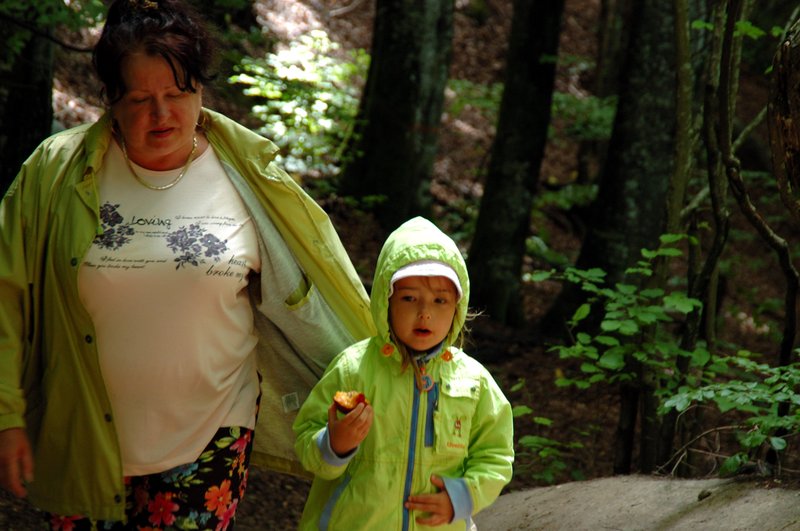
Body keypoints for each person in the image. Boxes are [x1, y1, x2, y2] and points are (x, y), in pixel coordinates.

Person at [0, 0, 375, 527]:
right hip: (80, 438)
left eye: (178, 94)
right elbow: (6, 298)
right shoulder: (53, 174)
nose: (162, 114)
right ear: (110, 98)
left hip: (212, 439)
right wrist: (8, 417)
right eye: (140, 98)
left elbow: (316, 298)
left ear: (200, 88)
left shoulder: (251, 178)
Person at [293, 216, 515, 530]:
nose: (425, 312)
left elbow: (496, 454)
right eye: (409, 298)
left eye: (440, 300)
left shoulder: (474, 382)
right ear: (386, 300)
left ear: (457, 308)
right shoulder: (353, 368)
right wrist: (334, 444)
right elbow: (305, 441)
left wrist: (462, 497)